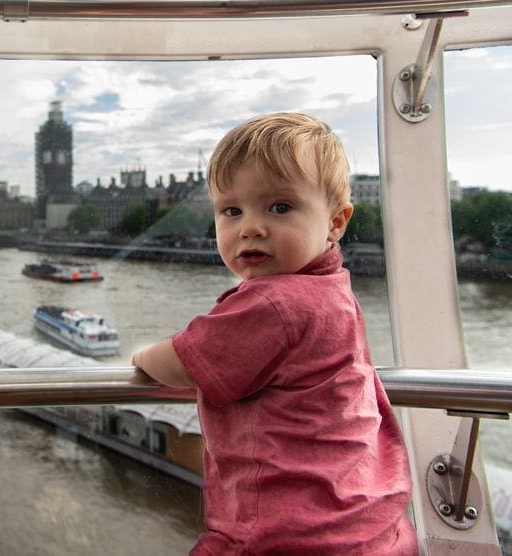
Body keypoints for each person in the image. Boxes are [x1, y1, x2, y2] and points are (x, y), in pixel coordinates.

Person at [131, 112, 417, 555]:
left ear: (336, 222)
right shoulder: (334, 290)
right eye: (232, 210)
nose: (250, 227)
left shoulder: (274, 304)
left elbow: (184, 362)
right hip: (366, 523)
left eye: (279, 207)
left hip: (287, 533)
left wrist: (143, 355)